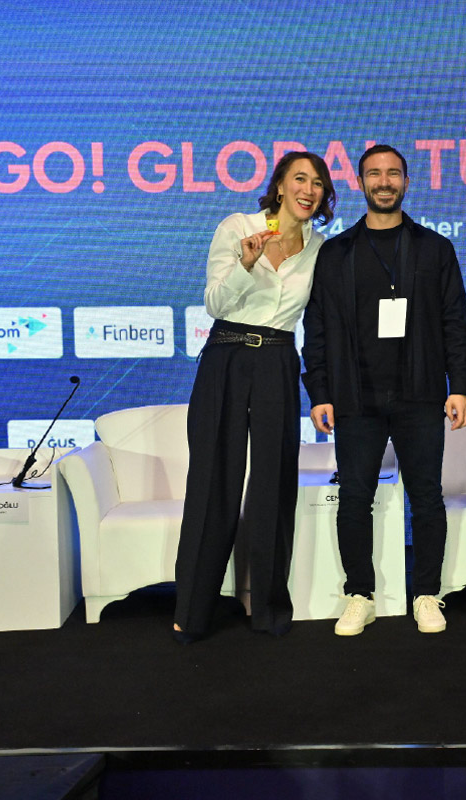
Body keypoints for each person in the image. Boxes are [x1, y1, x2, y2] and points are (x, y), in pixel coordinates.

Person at [301, 145, 466, 636]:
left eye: (393, 173)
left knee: (427, 498)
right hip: (356, 398)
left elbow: (454, 323)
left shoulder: (434, 249)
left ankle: (427, 594)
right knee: (355, 498)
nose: (384, 181)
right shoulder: (337, 253)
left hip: (420, 394)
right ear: (360, 183)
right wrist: (319, 391)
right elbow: (316, 328)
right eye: (374, 174)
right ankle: (360, 594)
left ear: (406, 182)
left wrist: (460, 386)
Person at [173, 151, 336, 643]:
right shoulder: (237, 226)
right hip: (226, 355)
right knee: (213, 482)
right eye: (300, 179)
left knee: (274, 485)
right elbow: (213, 303)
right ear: (280, 185)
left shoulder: (320, 248)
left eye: (318, 183)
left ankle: (267, 609)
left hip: (278, 362)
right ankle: (192, 612)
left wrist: (322, 390)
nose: (308, 190)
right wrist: (246, 264)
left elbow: (319, 325)